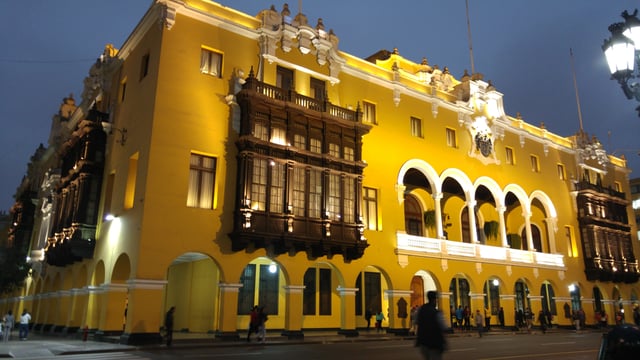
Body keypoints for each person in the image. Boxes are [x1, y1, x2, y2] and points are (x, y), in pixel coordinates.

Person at [415, 291, 447, 360]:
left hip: (423, 342)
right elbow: (443, 326)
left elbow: (417, 321)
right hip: (434, 343)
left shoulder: (421, 309)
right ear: (434, 299)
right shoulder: (436, 313)